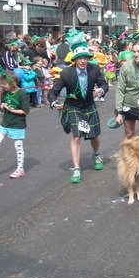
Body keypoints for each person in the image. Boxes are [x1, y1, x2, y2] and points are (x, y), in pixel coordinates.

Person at [48, 46, 108, 184]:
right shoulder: (67, 73)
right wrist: (53, 103)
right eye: (80, 58)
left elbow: (104, 84)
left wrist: (100, 90)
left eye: (85, 58)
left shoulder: (94, 69)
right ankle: (76, 168)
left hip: (89, 105)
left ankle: (96, 154)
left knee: (94, 135)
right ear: (75, 60)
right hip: (73, 107)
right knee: (76, 137)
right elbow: (53, 92)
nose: (83, 61)